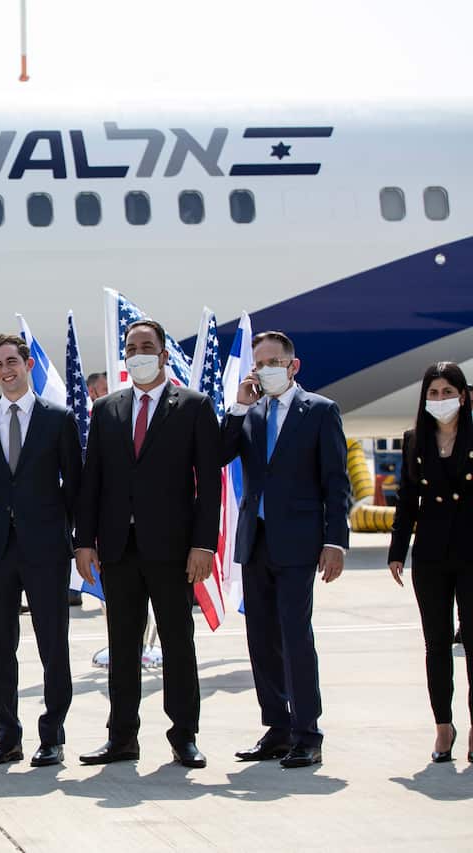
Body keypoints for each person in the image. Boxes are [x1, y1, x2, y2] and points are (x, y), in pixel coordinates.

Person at [74, 319, 221, 768]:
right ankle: (122, 737)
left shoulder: (194, 406)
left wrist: (204, 545)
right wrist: (84, 542)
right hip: (118, 548)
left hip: (174, 548)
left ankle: (184, 736)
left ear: (163, 354)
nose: (138, 353)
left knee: (178, 642)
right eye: (131, 347)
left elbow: (209, 483)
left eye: (147, 346)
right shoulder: (108, 409)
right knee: (122, 645)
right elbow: (92, 481)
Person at [221, 331, 350, 769]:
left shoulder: (320, 410)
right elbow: (220, 453)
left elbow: (336, 480)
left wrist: (335, 540)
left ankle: (307, 732)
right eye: (259, 364)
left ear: (293, 366)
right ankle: (276, 727)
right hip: (255, 542)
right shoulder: (251, 413)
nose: (265, 370)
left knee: (296, 636)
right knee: (261, 640)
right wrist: (238, 405)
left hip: (298, 542)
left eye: (274, 362)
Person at [0, 335, 83, 767]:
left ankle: (52, 736)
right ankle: (7, 735)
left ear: (27, 363)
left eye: (12, 360)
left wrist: (64, 531)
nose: (5, 369)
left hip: (46, 546)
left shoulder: (57, 418)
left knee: (53, 644)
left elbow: (75, 483)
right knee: (0, 645)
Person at [389, 361, 473, 764]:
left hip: (472, 550)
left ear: (464, 395)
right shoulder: (413, 440)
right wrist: (396, 551)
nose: (440, 400)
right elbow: (407, 501)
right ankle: (444, 726)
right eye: (433, 393)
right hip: (431, 555)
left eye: (448, 392)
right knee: (436, 644)